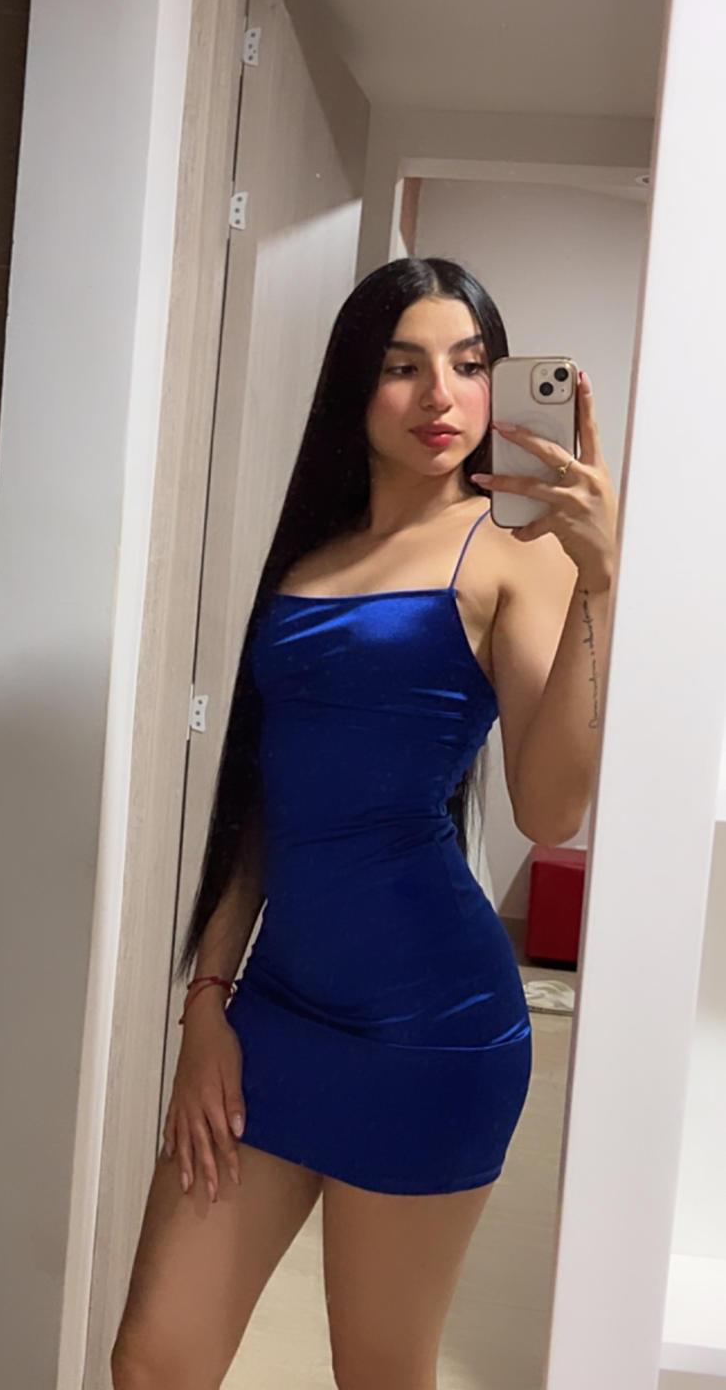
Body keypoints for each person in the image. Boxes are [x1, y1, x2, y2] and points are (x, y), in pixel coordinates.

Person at [111, 258, 618, 1390]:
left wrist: (599, 585)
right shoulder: (312, 556)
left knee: (379, 1373)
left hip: (432, 1031)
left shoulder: (513, 553)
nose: (441, 394)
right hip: (275, 1017)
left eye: (470, 365)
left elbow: (550, 809)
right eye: (403, 365)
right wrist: (207, 999)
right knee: (153, 1360)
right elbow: (263, 806)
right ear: (355, 384)